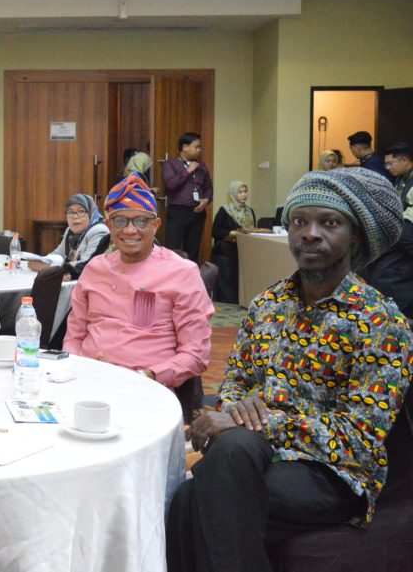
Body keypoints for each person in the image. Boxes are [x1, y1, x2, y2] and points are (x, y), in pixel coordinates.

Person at [167, 167, 411, 572]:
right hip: (254, 452)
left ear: (355, 236)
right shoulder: (267, 304)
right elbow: (235, 381)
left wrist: (258, 423)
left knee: (196, 496)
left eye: (329, 223)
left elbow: (359, 437)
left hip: (332, 471)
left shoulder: (380, 321)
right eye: (299, 222)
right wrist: (235, 407)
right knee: (221, 467)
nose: (310, 234)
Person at [62, 174, 212, 397]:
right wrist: (78, 368)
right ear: (109, 226)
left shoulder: (182, 273)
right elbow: (73, 337)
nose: (130, 230)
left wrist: (147, 376)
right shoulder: (95, 269)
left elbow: (195, 354)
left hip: (146, 390)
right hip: (86, 383)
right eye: (120, 221)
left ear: (156, 225)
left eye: (141, 221)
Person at [30, 194, 110, 279]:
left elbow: (85, 265)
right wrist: (43, 260)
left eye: (81, 211)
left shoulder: (99, 231)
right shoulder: (70, 230)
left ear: (91, 213)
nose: (75, 216)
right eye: (70, 212)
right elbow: (58, 253)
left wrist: (47, 267)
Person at [161, 132, 213, 263]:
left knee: (193, 251)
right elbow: (170, 184)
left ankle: (191, 275)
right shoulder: (170, 164)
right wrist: (188, 171)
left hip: (197, 213)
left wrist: (206, 200)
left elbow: (209, 188)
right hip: (178, 212)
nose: (199, 150)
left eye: (200, 147)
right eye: (196, 147)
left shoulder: (202, 166)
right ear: (185, 147)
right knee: (173, 250)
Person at [210, 181, 257, 304]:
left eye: (245, 192)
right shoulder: (225, 210)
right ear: (233, 194)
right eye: (240, 192)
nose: (243, 195)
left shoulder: (249, 211)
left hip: (243, 250)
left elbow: (253, 230)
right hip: (226, 250)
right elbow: (215, 232)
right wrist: (230, 232)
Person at [383, 142, 413, 211]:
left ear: (404, 160)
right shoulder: (400, 178)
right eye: (386, 164)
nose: (388, 168)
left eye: (390, 163)